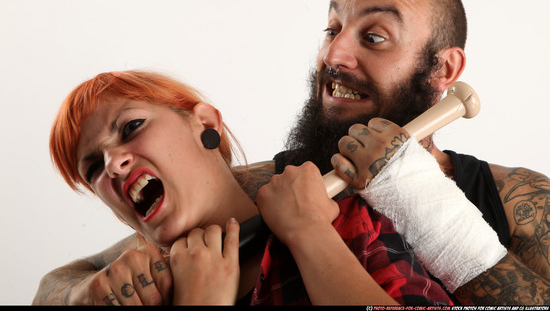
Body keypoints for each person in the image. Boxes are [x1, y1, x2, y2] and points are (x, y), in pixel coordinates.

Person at [33, 0, 550, 305]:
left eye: (374, 36)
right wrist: (87, 293)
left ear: (444, 70)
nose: (333, 54)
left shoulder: (518, 201)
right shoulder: (262, 193)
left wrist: (415, 196)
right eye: (332, 29)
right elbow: (63, 282)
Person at [41, 69, 453, 305]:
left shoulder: (343, 230)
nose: (113, 164)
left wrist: (311, 235)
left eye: (131, 127)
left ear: (206, 124)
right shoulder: (131, 298)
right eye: (94, 166)